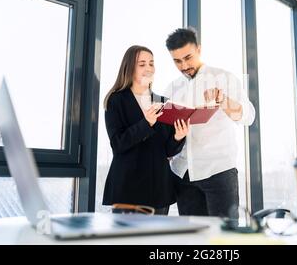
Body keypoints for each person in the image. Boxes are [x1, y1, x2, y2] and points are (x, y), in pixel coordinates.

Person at [164, 28, 255, 218]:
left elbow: (248, 116)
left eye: (188, 57)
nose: (184, 65)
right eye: (177, 61)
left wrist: (224, 101)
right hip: (183, 173)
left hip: (218, 170)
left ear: (199, 49)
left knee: (224, 237)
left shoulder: (224, 78)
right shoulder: (172, 88)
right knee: (193, 238)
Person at [102, 45, 189, 215]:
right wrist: (146, 123)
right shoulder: (116, 100)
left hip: (159, 188)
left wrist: (178, 137)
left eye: (151, 63)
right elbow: (118, 144)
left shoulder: (163, 101)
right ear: (129, 68)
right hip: (128, 188)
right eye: (142, 64)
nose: (148, 68)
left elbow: (167, 151)